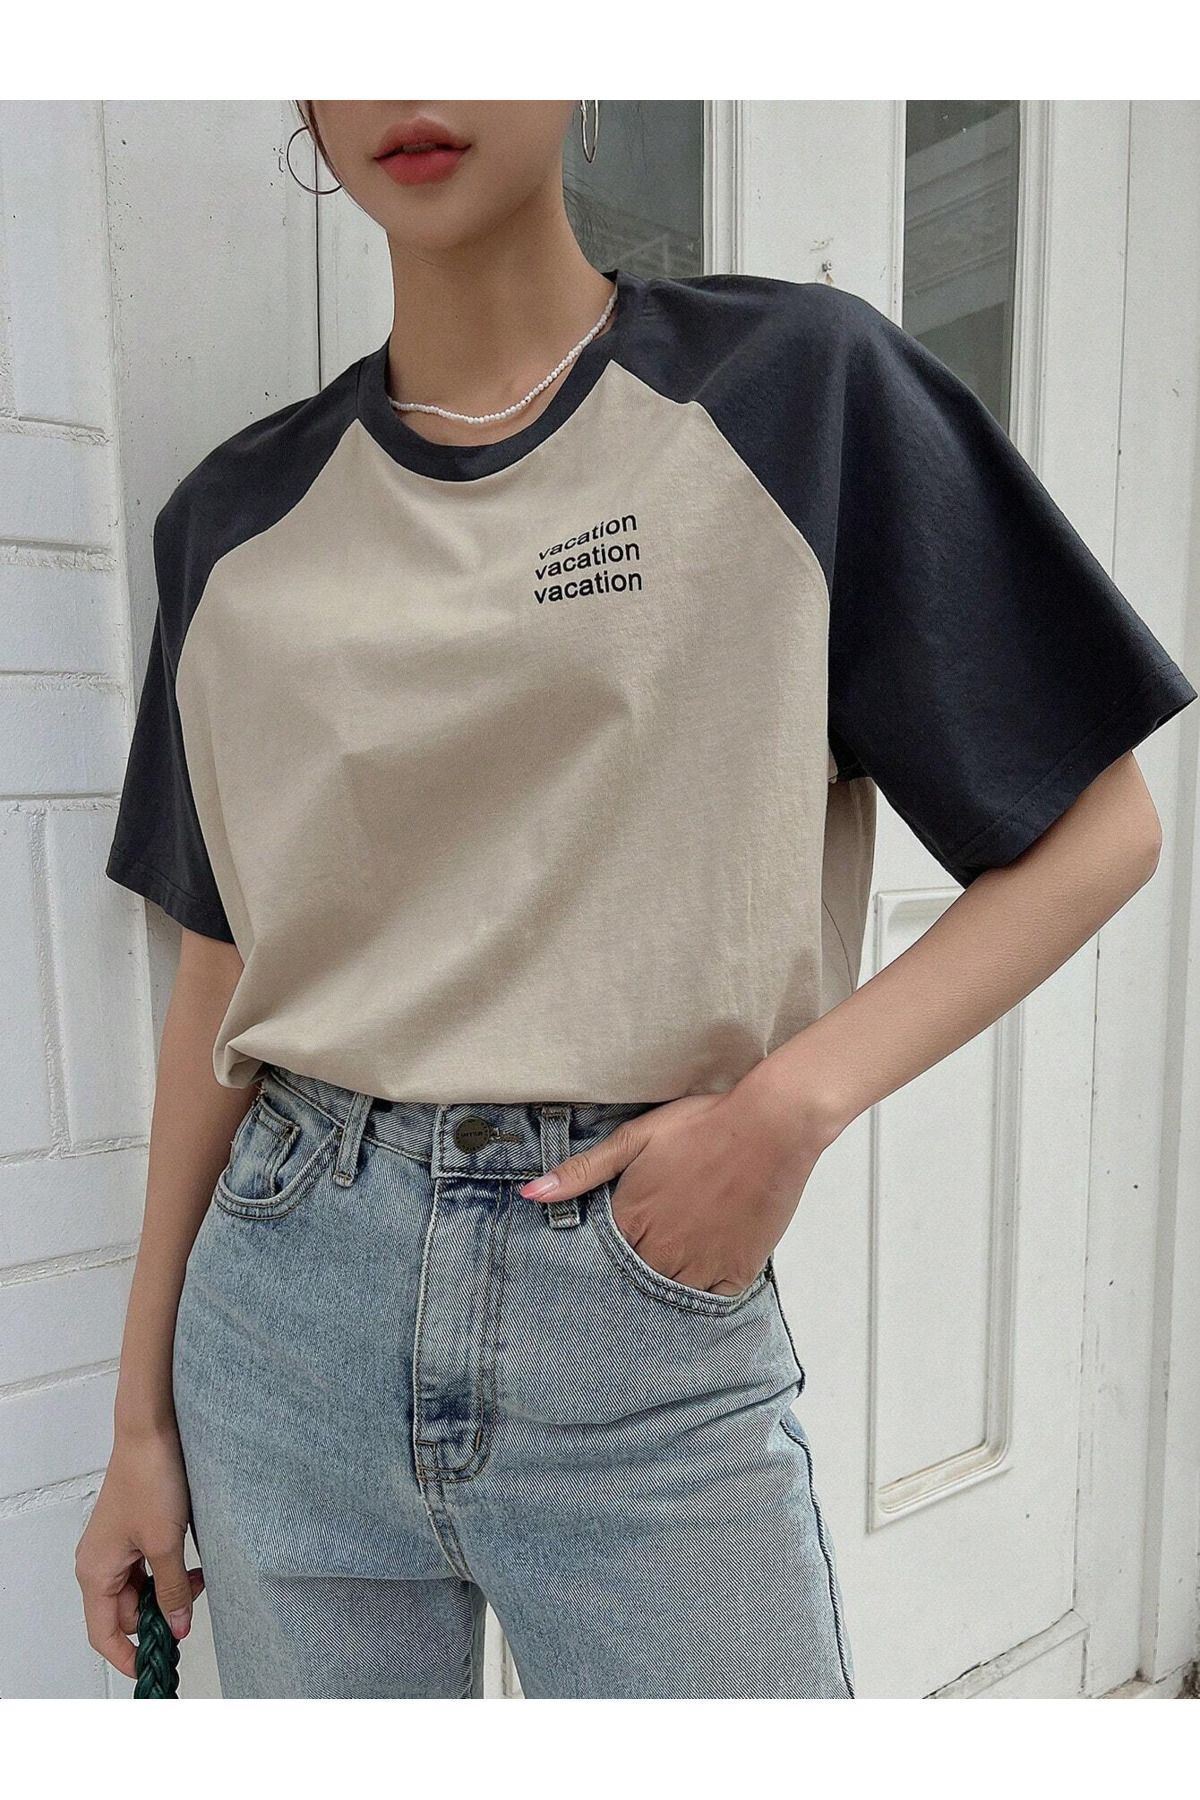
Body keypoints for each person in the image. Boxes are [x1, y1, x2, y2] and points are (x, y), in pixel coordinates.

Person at [74, 99, 1196, 1700]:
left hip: (634, 1305)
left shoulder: (796, 396)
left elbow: (1098, 829)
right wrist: (138, 1423)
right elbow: (219, 974)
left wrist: (784, 1113)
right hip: (285, 1313)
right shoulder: (231, 521)